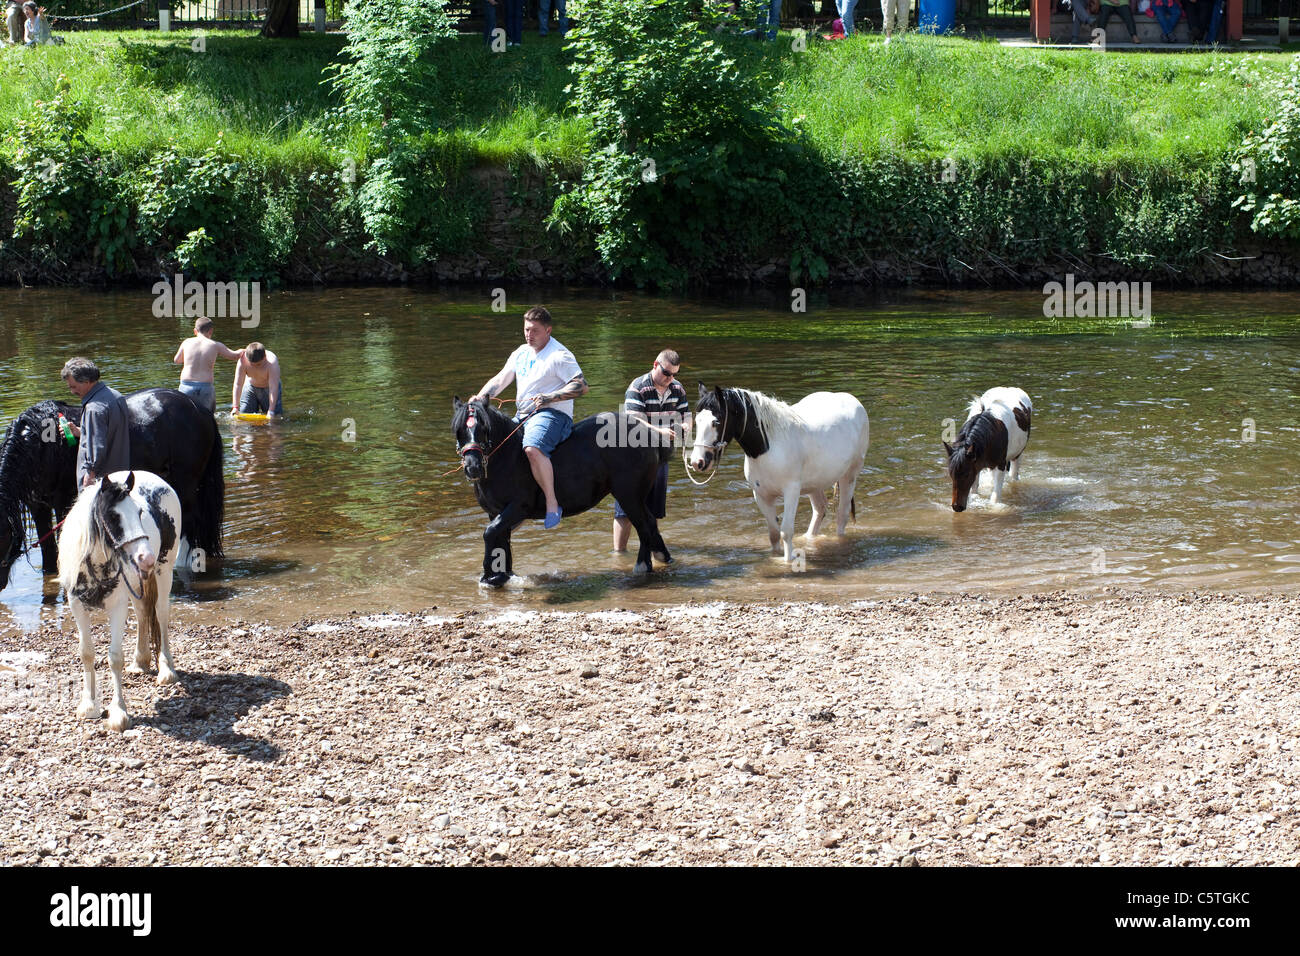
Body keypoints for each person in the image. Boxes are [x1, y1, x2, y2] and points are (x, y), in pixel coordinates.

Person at [471, 306, 588, 529]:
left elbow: (582, 386)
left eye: (535, 331)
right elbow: (501, 379)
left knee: (532, 448)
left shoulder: (559, 355)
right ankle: (508, 503)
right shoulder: (520, 353)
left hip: (553, 415)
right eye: (526, 329)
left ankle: (552, 504)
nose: (529, 335)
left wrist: (551, 397)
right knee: (494, 447)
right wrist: (479, 398)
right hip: (523, 415)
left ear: (548, 330)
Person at [612, 350, 688, 554]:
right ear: (655, 365)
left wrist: (685, 428)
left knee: (653, 509)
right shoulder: (638, 387)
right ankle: (619, 555)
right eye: (666, 373)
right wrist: (660, 431)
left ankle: (653, 550)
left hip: (660, 456)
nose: (670, 378)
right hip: (631, 457)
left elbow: (685, 416)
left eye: (674, 374)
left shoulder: (677, 388)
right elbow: (633, 422)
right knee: (625, 510)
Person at [61, 358, 129, 489]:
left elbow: (97, 449)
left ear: (86, 382)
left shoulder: (93, 408)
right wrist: (81, 432)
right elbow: (108, 434)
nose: (72, 392)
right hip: (120, 476)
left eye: (74, 386)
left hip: (101, 484)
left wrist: (89, 476)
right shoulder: (115, 395)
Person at [173, 317, 244, 413]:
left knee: (185, 418)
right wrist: (243, 350)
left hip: (186, 386)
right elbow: (234, 356)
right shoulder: (215, 345)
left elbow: (176, 360)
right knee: (208, 419)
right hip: (205, 388)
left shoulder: (187, 342)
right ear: (211, 331)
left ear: (195, 331)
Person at [232, 342, 283, 417]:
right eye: (252, 365)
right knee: (244, 416)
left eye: (259, 364)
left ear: (265, 356)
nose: (256, 367)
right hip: (250, 387)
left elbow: (273, 388)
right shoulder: (242, 360)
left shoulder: (272, 362)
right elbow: (238, 384)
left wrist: (271, 411)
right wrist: (235, 407)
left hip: (269, 388)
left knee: (275, 418)